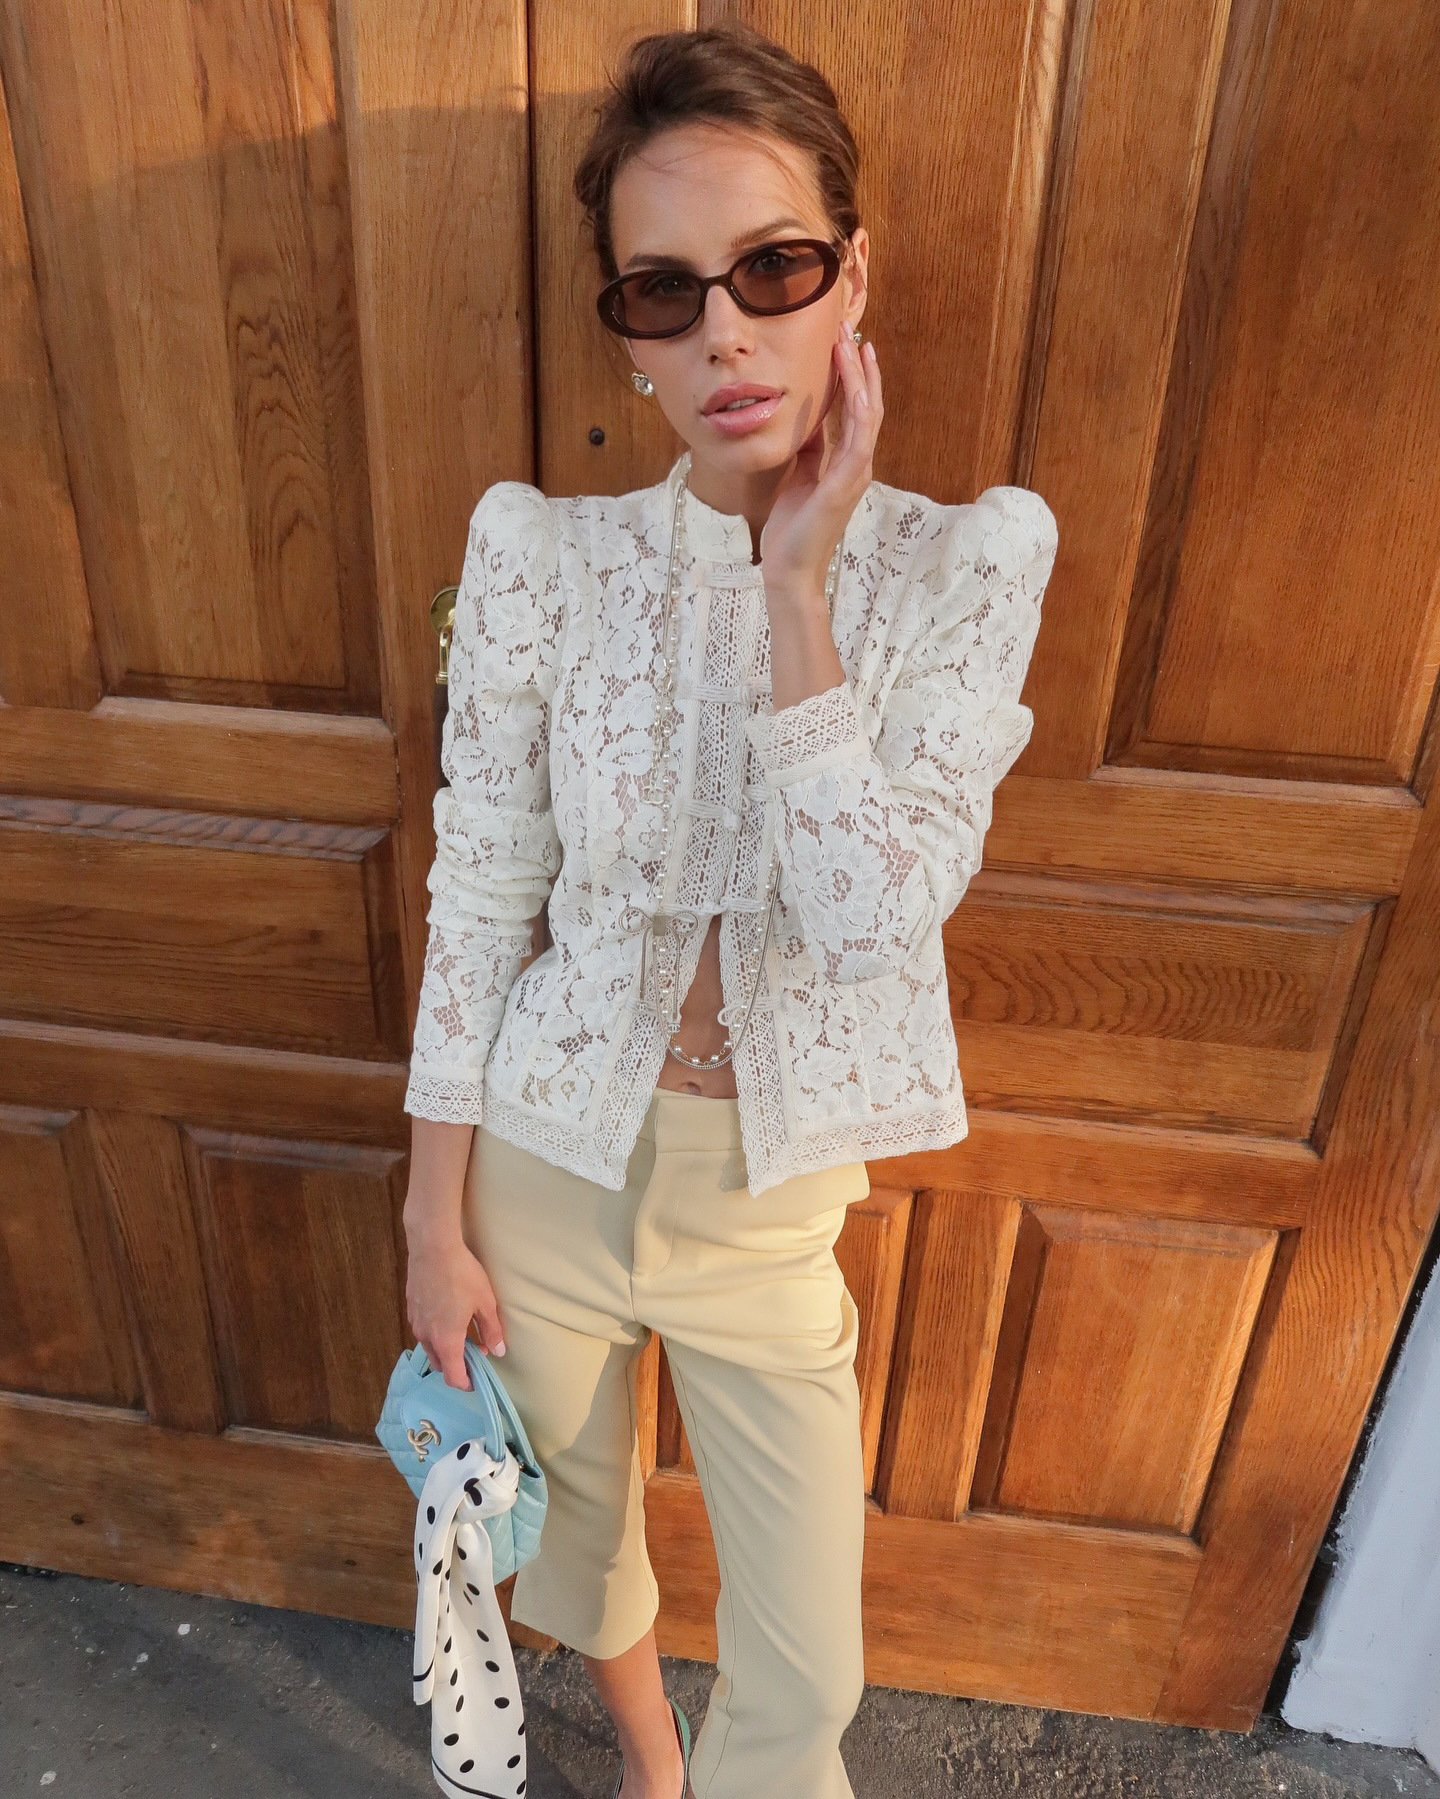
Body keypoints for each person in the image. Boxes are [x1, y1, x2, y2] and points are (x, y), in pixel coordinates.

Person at [401, 20, 1058, 1799]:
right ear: (626, 326)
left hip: (767, 1205)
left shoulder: (968, 562)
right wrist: (432, 1216)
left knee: (811, 1662)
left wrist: (798, 590)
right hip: (544, 1157)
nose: (725, 334)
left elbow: (873, 920)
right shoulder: (545, 556)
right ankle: (650, 1766)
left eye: (774, 269)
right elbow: (483, 894)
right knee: (574, 1539)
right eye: (664, 291)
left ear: (855, 275)